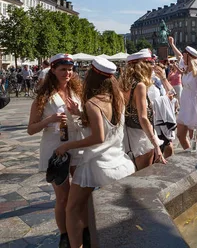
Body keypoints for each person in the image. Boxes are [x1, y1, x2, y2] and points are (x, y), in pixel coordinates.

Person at [55, 58, 135, 248]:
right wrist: (80, 114)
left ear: (92, 75)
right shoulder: (118, 99)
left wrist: (67, 146)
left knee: (73, 208)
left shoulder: (93, 102)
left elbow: (98, 137)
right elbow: (108, 127)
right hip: (120, 162)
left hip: (96, 165)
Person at [27, 54, 84, 248]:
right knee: (63, 197)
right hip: (54, 147)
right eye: (62, 69)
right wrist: (49, 120)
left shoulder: (77, 92)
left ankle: (81, 229)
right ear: (53, 70)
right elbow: (31, 129)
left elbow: (87, 119)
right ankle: (65, 235)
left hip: (76, 144)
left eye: (70, 70)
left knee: (81, 193)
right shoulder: (44, 97)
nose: (67, 73)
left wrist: (79, 113)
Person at [121, 51, 167, 169]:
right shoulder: (140, 86)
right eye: (150, 63)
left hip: (129, 135)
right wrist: (156, 144)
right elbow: (143, 118)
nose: (153, 66)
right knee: (145, 176)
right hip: (142, 137)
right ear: (143, 66)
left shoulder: (124, 83)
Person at [168, 37, 197, 148]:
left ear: (189, 56)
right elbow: (178, 56)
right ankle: (189, 153)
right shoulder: (186, 69)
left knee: (193, 138)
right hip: (185, 103)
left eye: (184, 54)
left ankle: (196, 156)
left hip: (194, 104)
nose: (182, 56)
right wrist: (172, 44)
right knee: (180, 135)